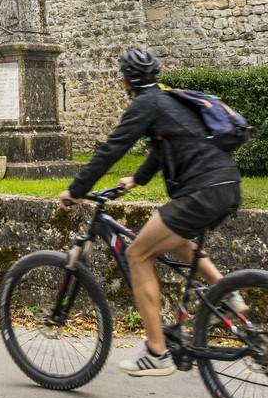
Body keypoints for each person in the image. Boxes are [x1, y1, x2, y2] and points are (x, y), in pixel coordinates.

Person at [58, 47, 241, 377]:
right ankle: (226, 294)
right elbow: (163, 148)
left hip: (200, 192)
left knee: (138, 254)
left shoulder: (145, 104)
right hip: (227, 186)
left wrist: (76, 190)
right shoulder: (168, 100)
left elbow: (112, 149)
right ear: (154, 75)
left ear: (126, 80)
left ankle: (157, 352)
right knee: (177, 240)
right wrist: (137, 180)